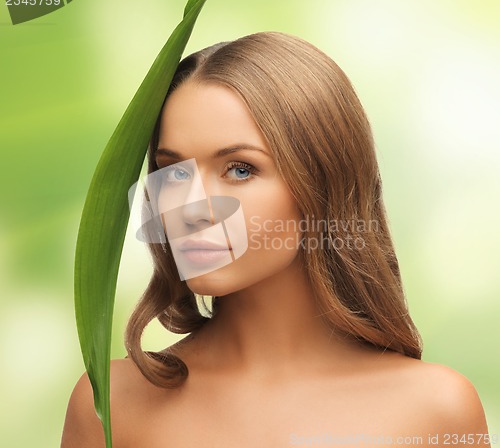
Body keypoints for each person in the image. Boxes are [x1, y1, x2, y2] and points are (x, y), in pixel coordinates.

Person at [61, 32, 491, 447]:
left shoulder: (436, 410)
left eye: (240, 169)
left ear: (323, 183)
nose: (190, 208)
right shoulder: (111, 405)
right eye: (175, 172)